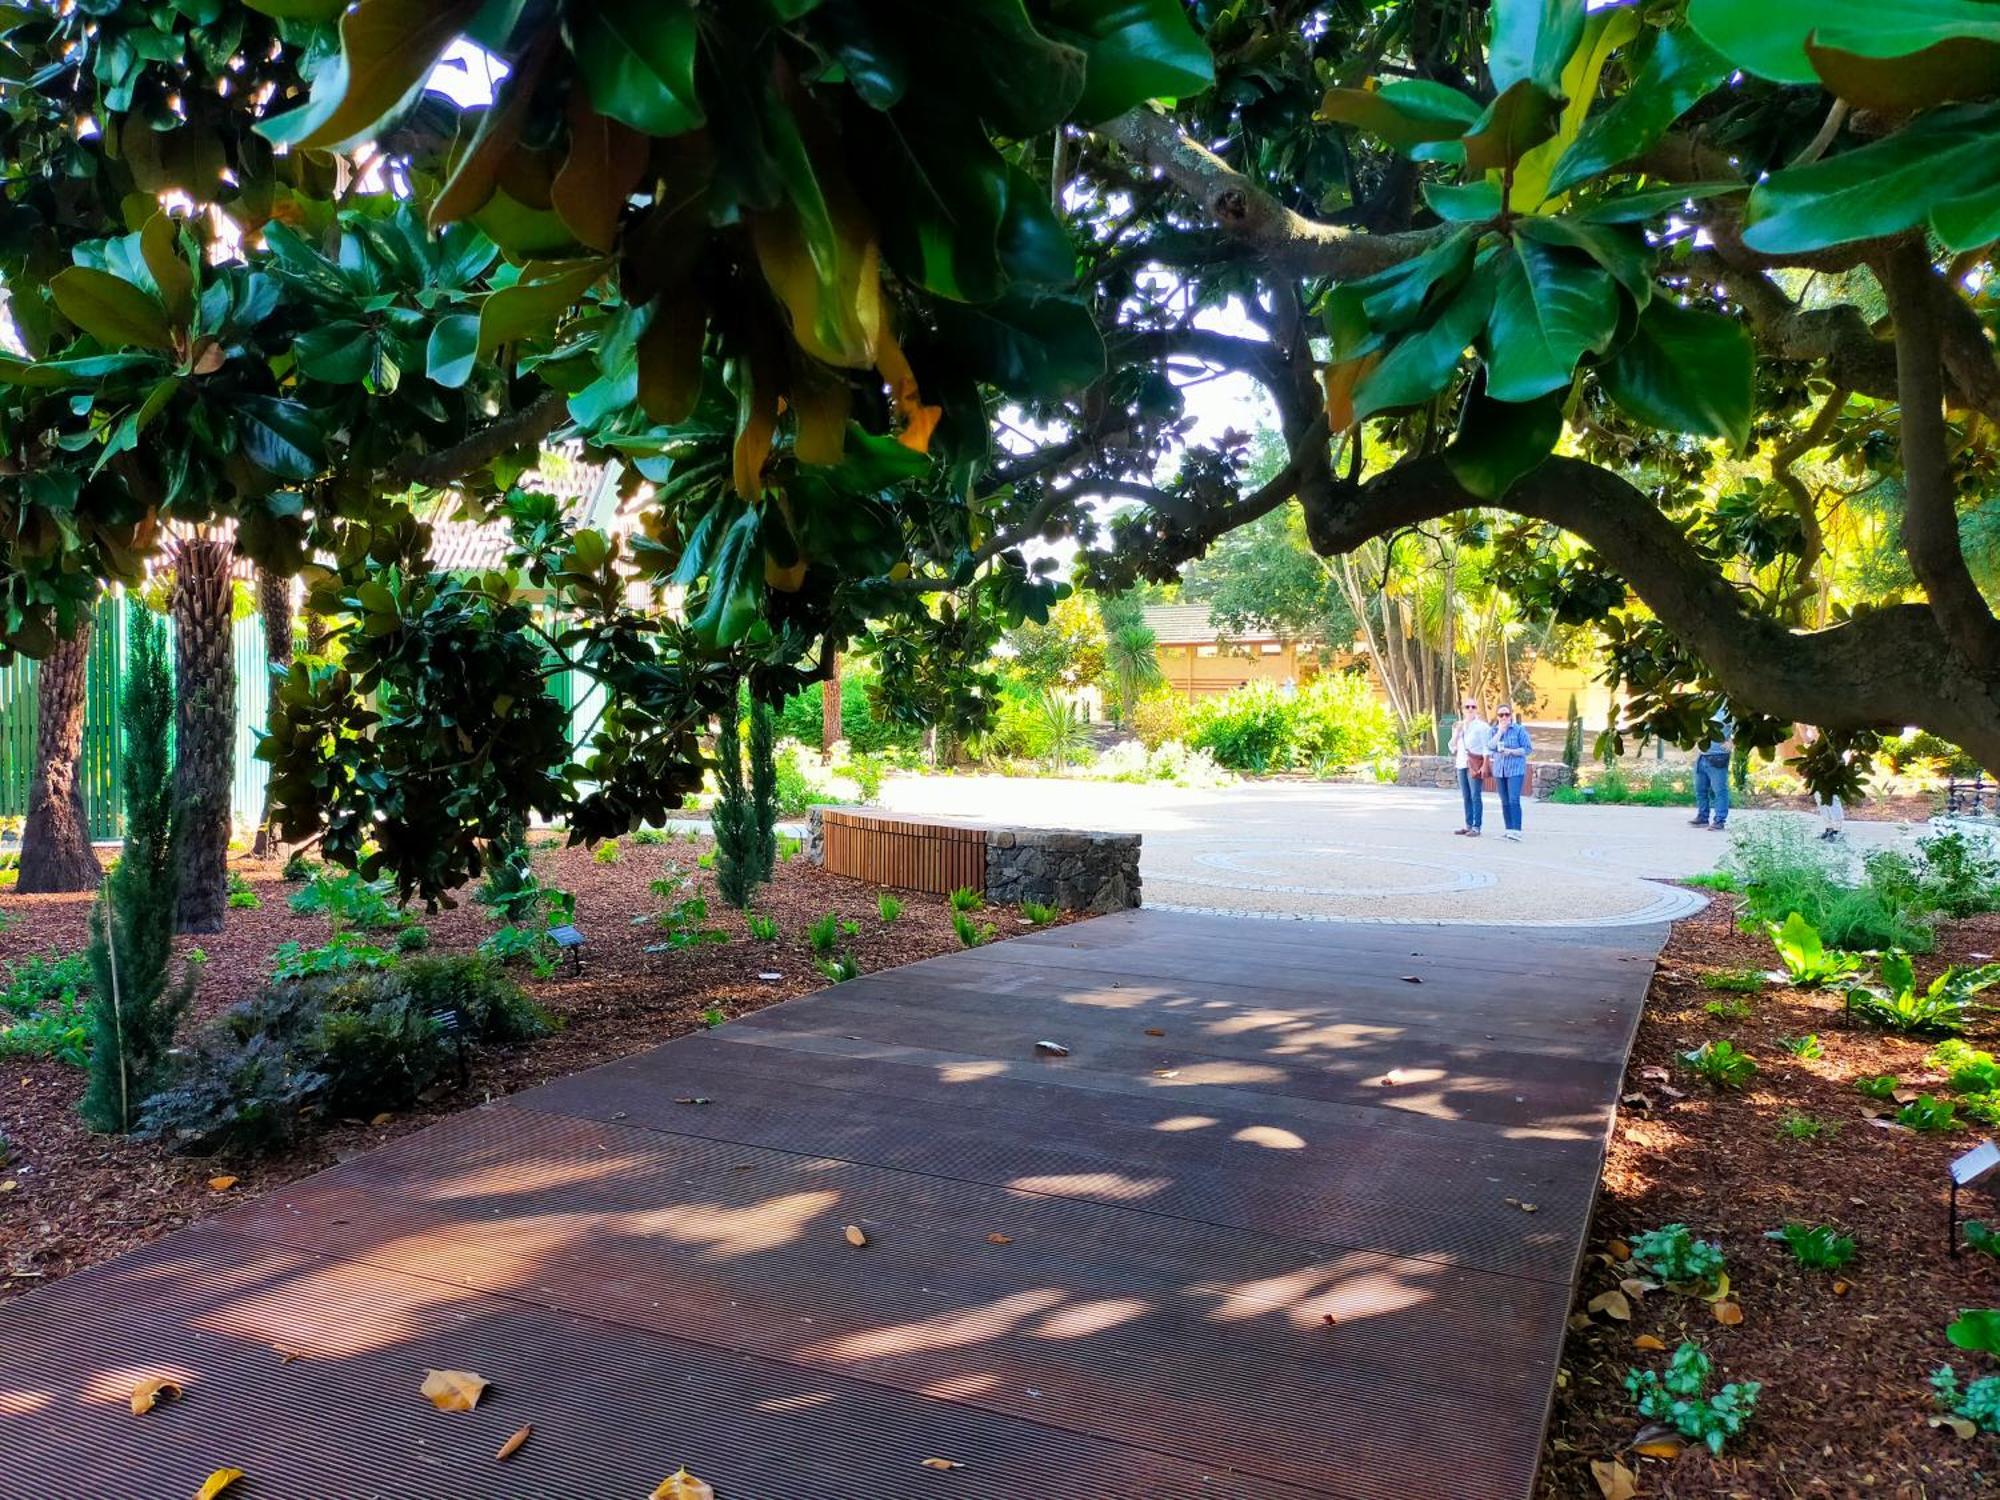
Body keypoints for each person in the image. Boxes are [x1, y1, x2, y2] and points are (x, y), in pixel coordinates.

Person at [1449, 697, 1491, 837]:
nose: (1470, 709)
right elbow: (1452, 747)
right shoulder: (1458, 726)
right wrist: (1457, 733)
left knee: (1475, 795)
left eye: (1473, 707)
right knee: (1466, 796)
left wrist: (1485, 765)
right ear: (1463, 709)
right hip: (1461, 763)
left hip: (1475, 764)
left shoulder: (1482, 727)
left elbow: (1487, 748)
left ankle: (1477, 826)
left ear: (1477, 709)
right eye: (1467, 707)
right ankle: (1468, 824)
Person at [1490, 704, 1532, 841]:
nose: (1504, 717)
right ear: (1497, 717)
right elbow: (1490, 746)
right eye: (1500, 715)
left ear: (1511, 716)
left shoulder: (1519, 730)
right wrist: (1500, 732)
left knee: (1514, 799)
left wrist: (1512, 752)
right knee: (1504, 801)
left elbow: (1527, 749)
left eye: (1506, 714)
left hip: (1515, 770)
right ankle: (1508, 830)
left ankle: (1517, 831)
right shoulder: (1494, 731)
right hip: (1499, 770)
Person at [1690, 707, 1735, 832]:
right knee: (1700, 789)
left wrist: (1733, 741)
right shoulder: (1705, 706)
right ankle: (1703, 817)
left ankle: (1719, 821)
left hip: (1718, 757)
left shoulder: (1728, 709)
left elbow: (1743, 727)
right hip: (1702, 756)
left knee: (1719, 791)